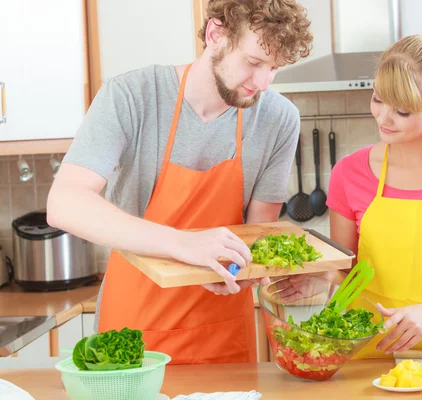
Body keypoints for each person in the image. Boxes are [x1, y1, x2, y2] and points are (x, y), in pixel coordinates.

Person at [46, 0, 313, 364]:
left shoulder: (279, 119)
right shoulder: (132, 96)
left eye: (275, 68)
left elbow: (257, 232)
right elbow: (65, 203)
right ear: (215, 34)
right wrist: (182, 244)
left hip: (222, 334)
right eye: (253, 62)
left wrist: (243, 272)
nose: (263, 83)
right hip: (134, 331)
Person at [268, 30, 422, 357]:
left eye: (402, 111)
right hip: (369, 362)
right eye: (377, 98)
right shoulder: (349, 173)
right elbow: (351, 273)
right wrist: (325, 279)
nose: (383, 118)